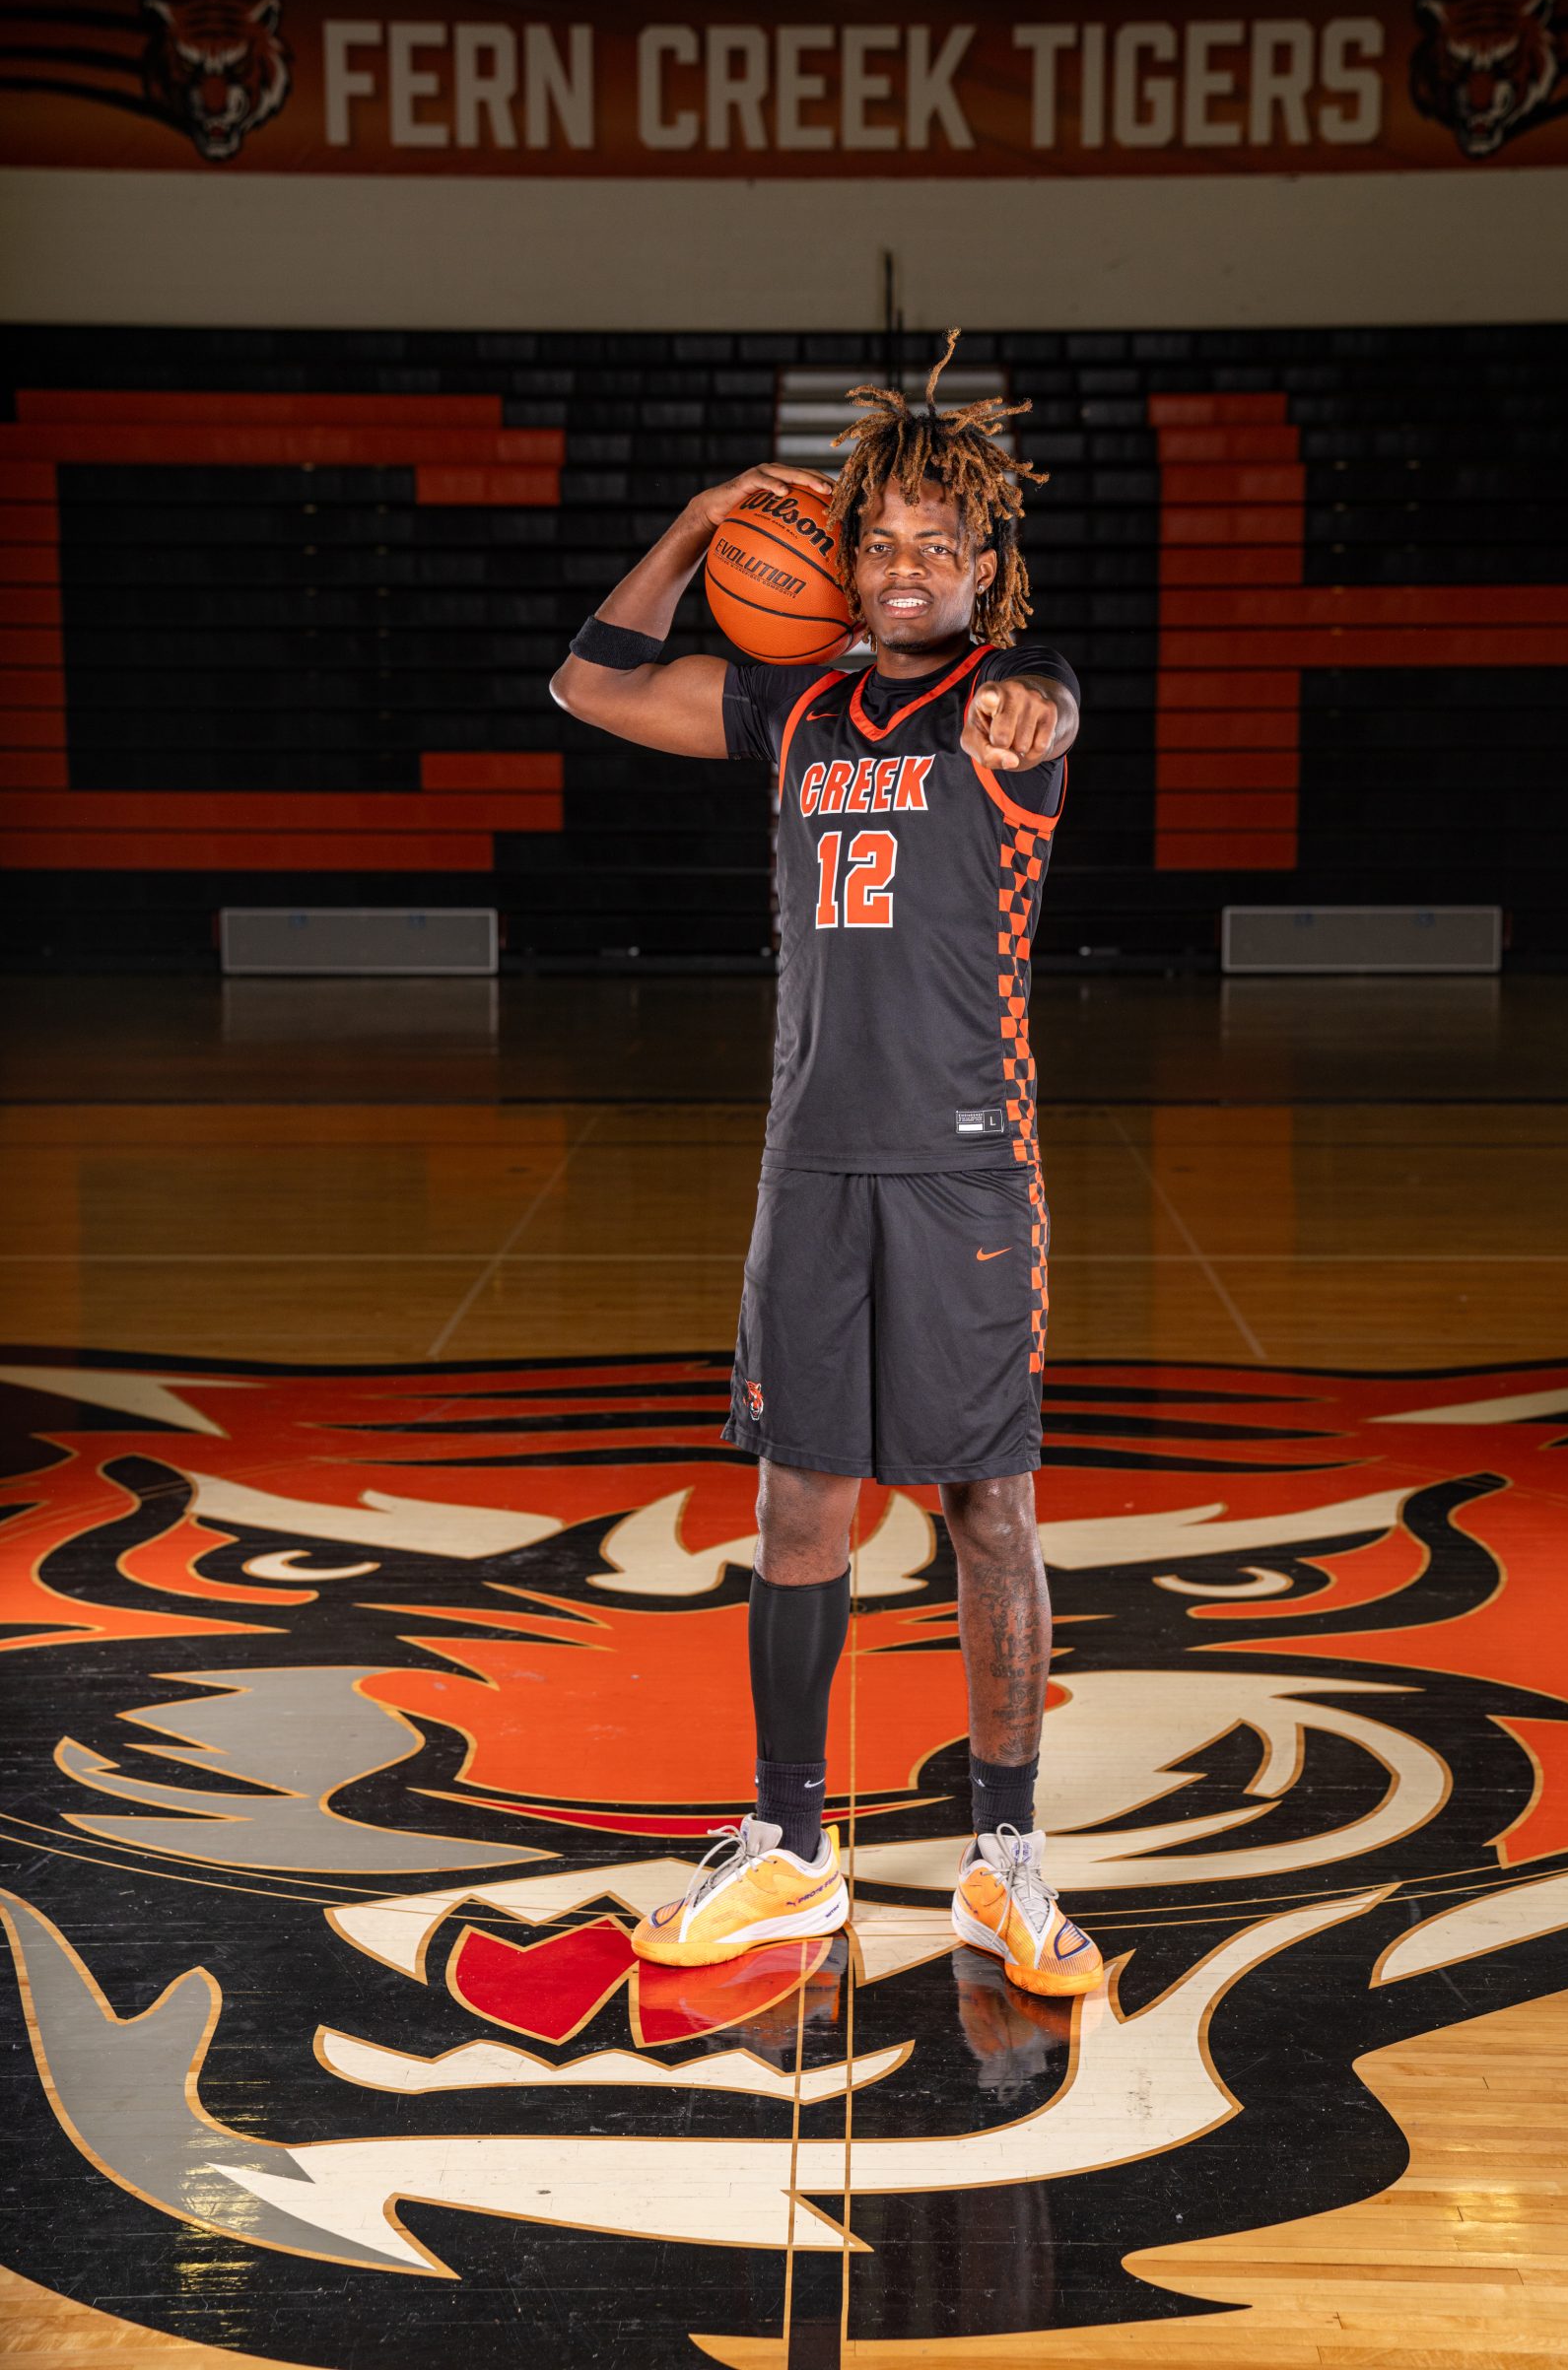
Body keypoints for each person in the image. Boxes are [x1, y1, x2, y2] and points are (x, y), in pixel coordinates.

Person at [549, 332, 1100, 1998]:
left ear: (986, 570)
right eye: (883, 541)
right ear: (845, 568)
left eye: (941, 543)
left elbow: (1045, 701)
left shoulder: (1007, 702)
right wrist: (700, 518)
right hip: (810, 1163)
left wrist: (1037, 686)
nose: (907, 564)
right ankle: (789, 1850)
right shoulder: (791, 706)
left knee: (987, 1509)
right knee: (796, 1503)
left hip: (962, 1172)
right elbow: (590, 682)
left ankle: (1006, 1862)